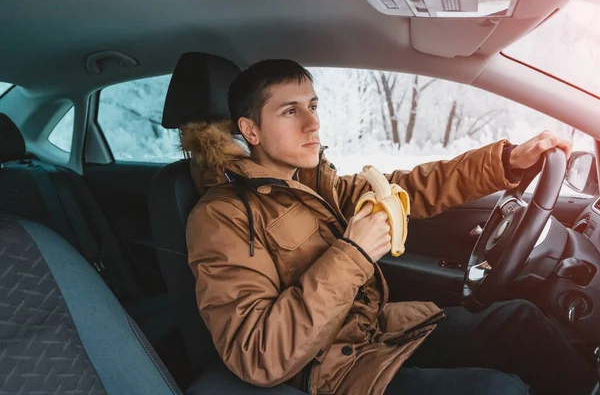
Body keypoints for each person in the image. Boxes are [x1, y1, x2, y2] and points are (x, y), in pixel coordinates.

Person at [182, 59, 596, 395]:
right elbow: (259, 354)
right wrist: (354, 253)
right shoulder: (222, 217)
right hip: (329, 372)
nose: (313, 123)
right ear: (250, 130)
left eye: (313, 105)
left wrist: (505, 162)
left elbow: (413, 187)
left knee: (520, 321)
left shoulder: (315, 184)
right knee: (497, 390)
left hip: (374, 334)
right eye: (291, 111)